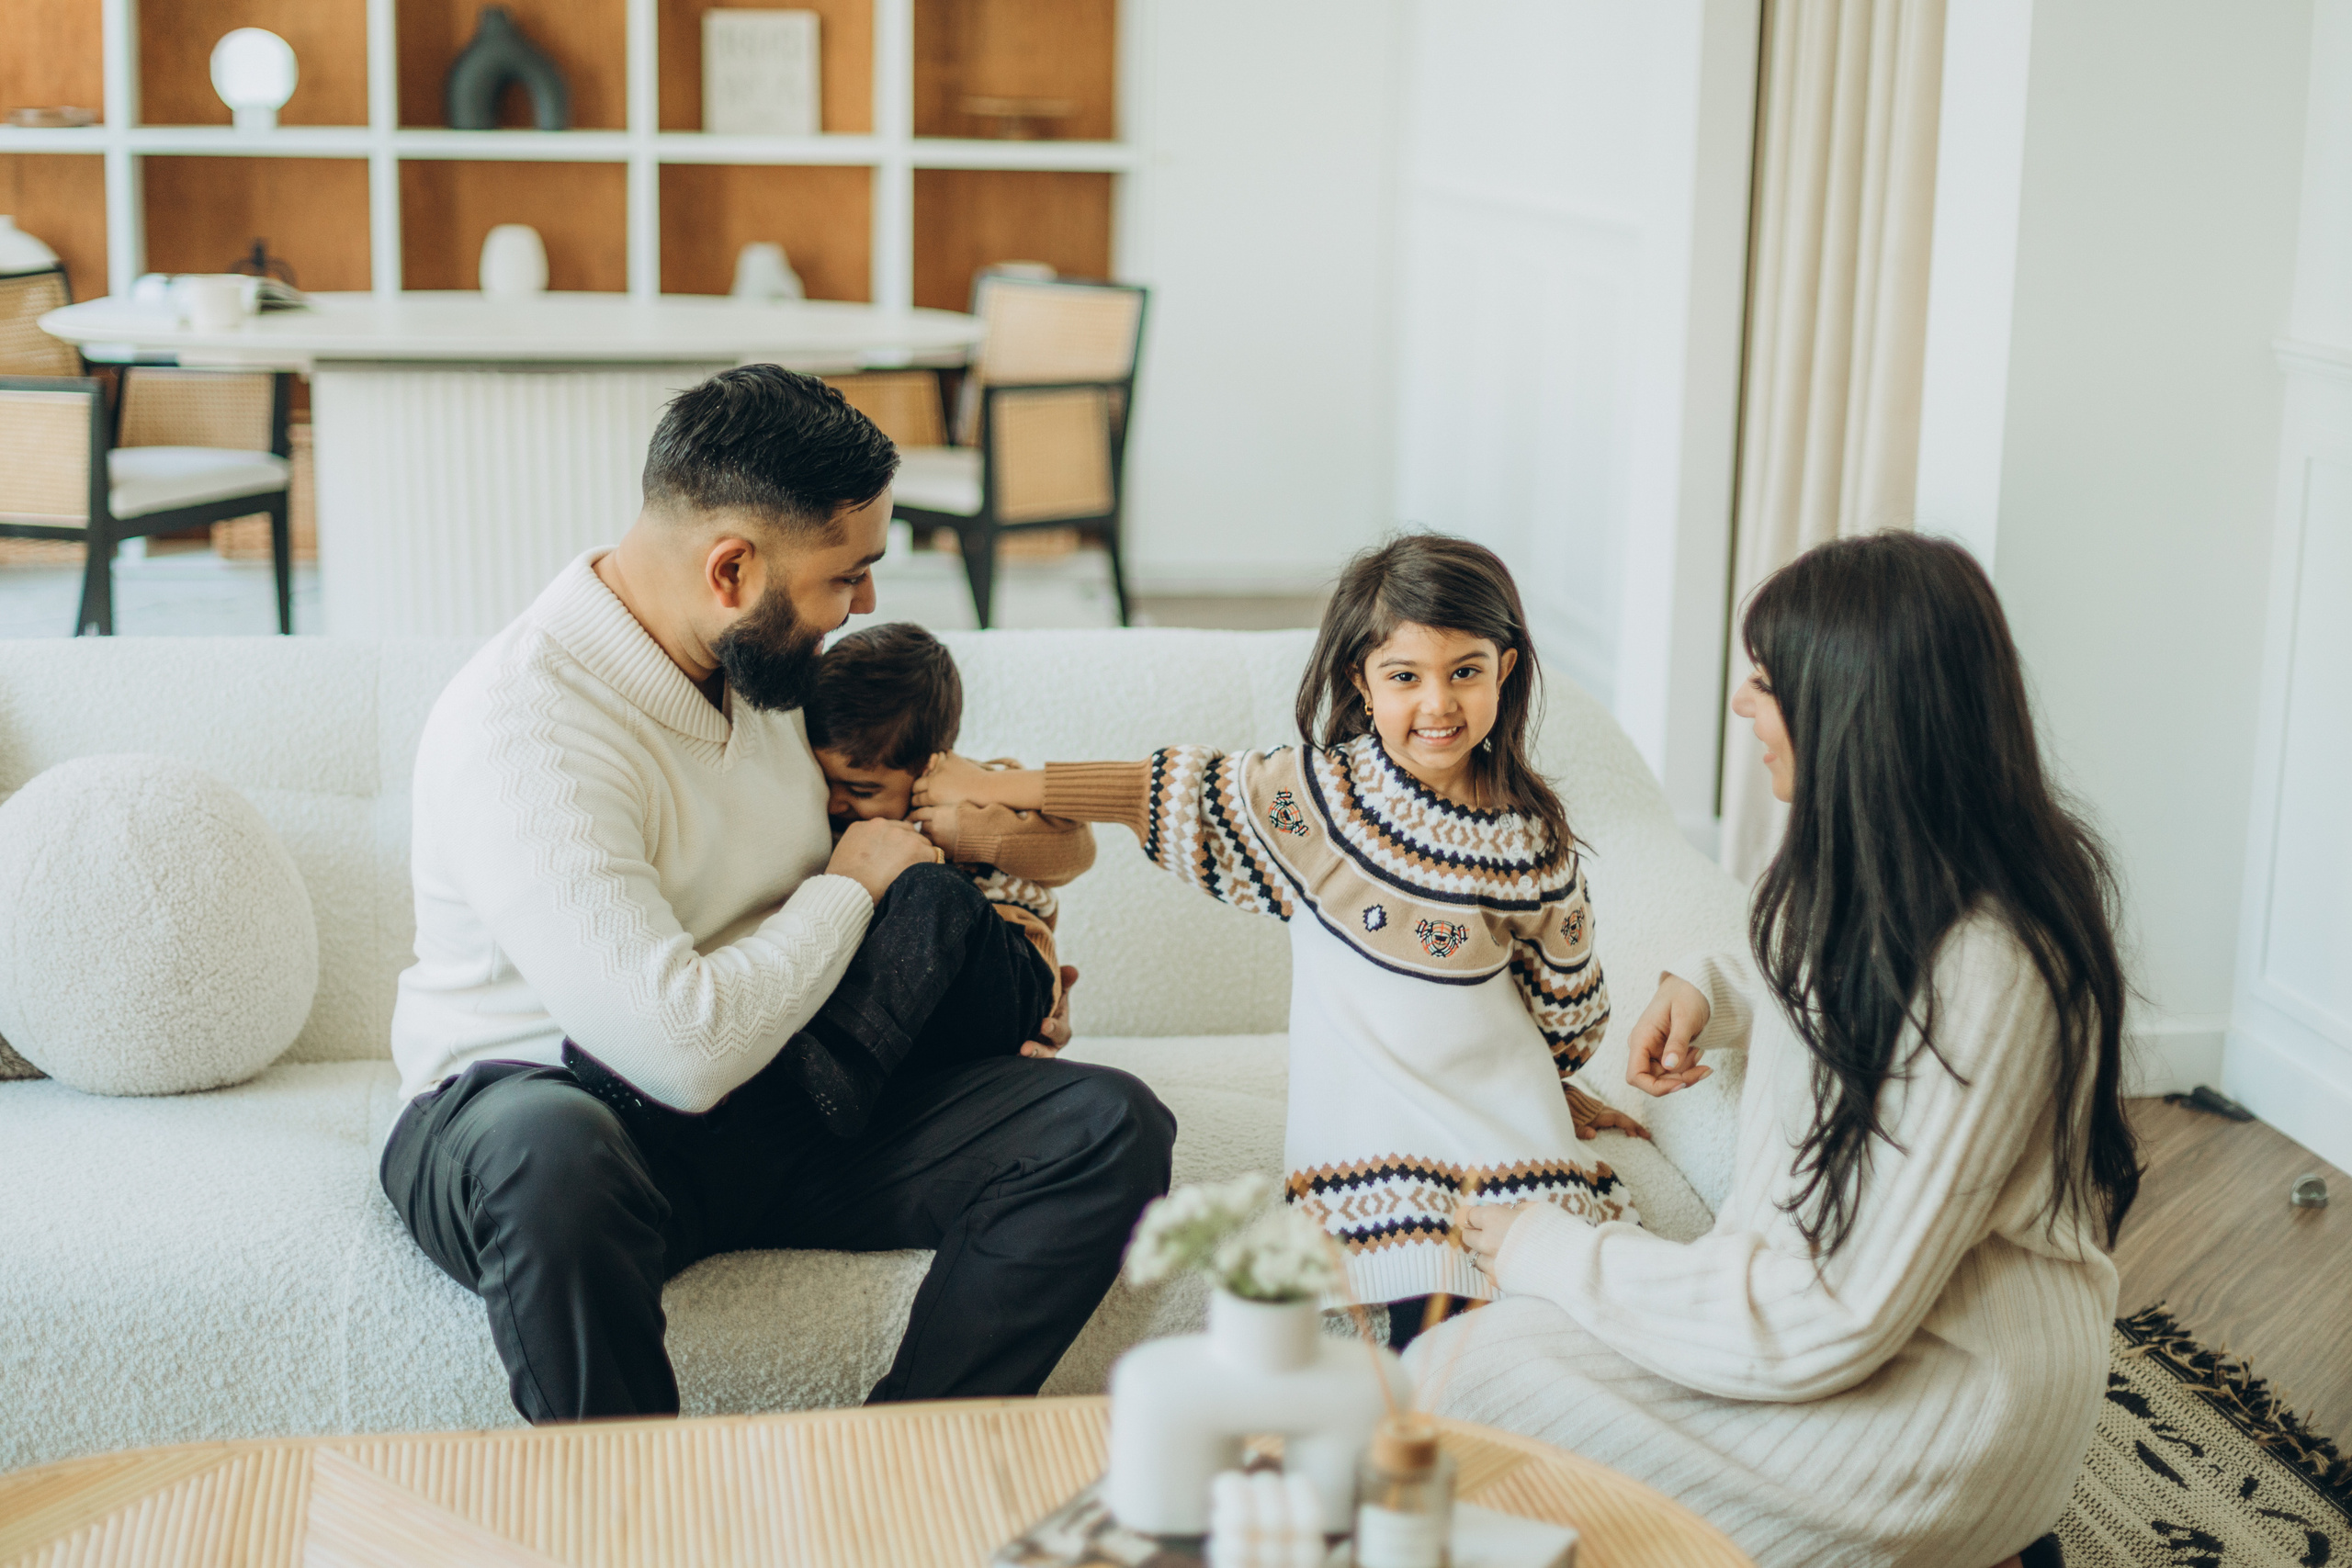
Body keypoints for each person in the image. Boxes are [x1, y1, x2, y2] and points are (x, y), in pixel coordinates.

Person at [381, 365, 1175, 1424]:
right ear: (730, 571)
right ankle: (629, 1528)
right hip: (549, 1115)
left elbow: (941, 835)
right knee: (552, 1157)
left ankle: (887, 1478)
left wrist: (1003, 976)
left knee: (1105, 1124)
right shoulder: (524, 727)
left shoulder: (767, 671)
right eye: (847, 577)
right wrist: (850, 890)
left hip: (778, 1093)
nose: (867, 605)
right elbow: (679, 1047)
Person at [1434, 531, 2133, 1568]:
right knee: (1460, 1373)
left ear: (1853, 707)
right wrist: (1711, 987)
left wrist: (1552, 1249)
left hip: (1934, 1409)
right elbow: (1842, 988)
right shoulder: (1875, 869)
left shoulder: (1989, 970)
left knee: (1470, 1395)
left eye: (1764, 681)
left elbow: (1832, 1317)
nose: (1740, 705)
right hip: (1846, 1348)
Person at [916, 533, 1647, 1355]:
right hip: (1382, 1142)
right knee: (1446, 1343)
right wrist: (988, 785)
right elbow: (1159, 787)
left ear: (1504, 671)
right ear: (1361, 684)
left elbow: (1567, 997)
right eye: (1406, 676)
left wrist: (1562, 1082)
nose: (1437, 704)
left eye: (1465, 672)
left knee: (1561, 1319)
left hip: (1503, 1124)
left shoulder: (1532, 843)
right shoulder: (1314, 798)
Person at [800, 620, 1097, 1091]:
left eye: (862, 788)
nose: (836, 803)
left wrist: (972, 829)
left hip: (1005, 969)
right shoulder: (830, 825)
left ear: (930, 763)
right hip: (905, 1004)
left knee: (932, 890)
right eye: (825, 780)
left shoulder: (976, 787)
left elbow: (1077, 848)